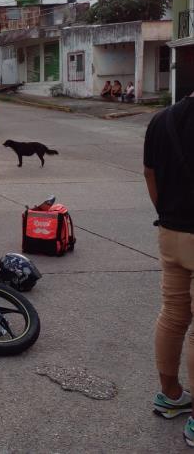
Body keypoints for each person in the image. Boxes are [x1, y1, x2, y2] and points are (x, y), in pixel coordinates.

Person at [143, 91, 194, 446]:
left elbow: (150, 174)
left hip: (171, 231)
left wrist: (169, 215)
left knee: (174, 314)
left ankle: (170, 395)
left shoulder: (162, 119)